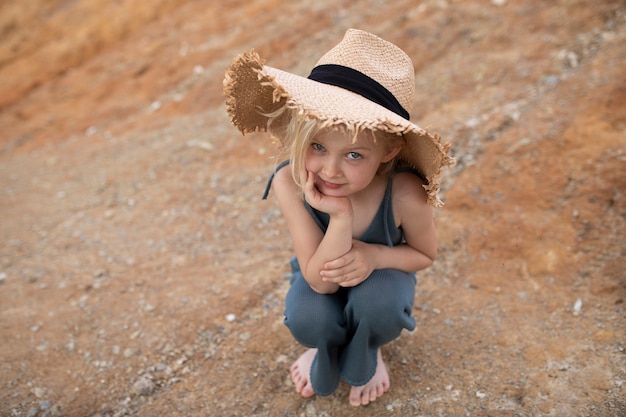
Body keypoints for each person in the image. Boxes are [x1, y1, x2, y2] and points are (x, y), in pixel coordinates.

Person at [224, 29, 454, 406]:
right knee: (307, 315)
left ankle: (368, 348)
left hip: (383, 277)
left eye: (354, 155)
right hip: (321, 277)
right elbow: (320, 283)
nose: (329, 170)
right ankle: (324, 348)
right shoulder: (289, 181)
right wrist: (341, 218)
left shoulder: (405, 192)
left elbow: (425, 255)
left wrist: (374, 256)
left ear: (389, 149)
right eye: (317, 146)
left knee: (378, 302)